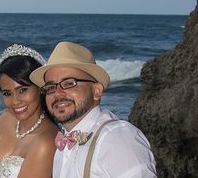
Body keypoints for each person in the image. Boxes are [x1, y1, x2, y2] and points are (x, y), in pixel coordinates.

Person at [29, 41, 157, 178]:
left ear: (96, 91)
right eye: (50, 87)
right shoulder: (63, 144)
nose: (58, 93)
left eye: (69, 83)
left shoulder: (116, 139)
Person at [0, 44, 57, 178]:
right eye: (7, 93)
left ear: (40, 88)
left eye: (22, 90)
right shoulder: (5, 120)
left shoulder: (46, 142)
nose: (15, 101)